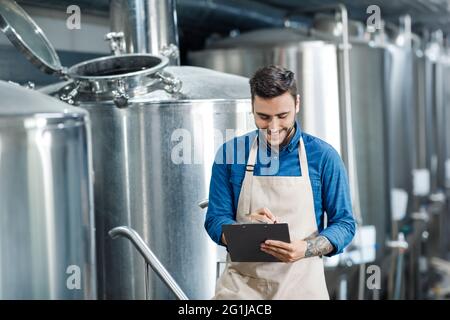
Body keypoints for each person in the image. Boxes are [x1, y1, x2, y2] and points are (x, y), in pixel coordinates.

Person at [205, 65, 356, 300]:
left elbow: (345, 224)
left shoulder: (323, 157)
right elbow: (215, 219)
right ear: (252, 108)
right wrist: (243, 233)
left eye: (282, 116)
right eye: (263, 117)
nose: (273, 128)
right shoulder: (230, 154)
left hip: (302, 288)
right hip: (241, 291)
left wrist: (306, 248)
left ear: (297, 104)